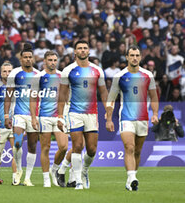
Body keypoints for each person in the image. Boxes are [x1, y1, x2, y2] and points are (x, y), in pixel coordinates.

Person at [106, 45, 159, 191]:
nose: (134, 58)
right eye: (132, 55)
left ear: (140, 57)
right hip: (126, 118)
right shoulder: (120, 76)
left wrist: (155, 114)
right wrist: (109, 119)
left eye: (137, 55)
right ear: (127, 57)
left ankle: (130, 181)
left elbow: (154, 96)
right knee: (129, 147)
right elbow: (111, 98)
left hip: (143, 118)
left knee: (137, 151)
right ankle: (132, 178)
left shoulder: (148, 75)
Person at [57, 40, 108, 190]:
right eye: (79, 48)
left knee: (92, 150)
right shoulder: (68, 70)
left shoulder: (97, 70)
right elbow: (62, 94)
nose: (83, 50)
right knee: (78, 146)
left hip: (92, 114)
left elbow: (104, 92)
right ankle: (78, 180)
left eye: (85, 48)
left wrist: (108, 111)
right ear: (75, 52)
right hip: (74, 113)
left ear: (89, 51)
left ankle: (84, 171)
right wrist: (60, 116)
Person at [30, 51, 68, 187]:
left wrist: (65, 114)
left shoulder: (62, 76)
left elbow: (65, 96)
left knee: (63, 147)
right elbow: (33, 98)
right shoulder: (39, 77)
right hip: (44, 117)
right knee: (45, 148)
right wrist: (33, 118)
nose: (53, 62)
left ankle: (54, 170)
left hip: (59, 116)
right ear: (45, 61)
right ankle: (46, 179)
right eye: (50, 60)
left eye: (55, 60)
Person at [4, 44, 39, 186]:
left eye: (30, 57)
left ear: (33, 59)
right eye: (25, 57)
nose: (28, 59)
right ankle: (18, 170)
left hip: (34, 115)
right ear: (21, 59)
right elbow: (8, 95)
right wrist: (6, 115)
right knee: (17, 142)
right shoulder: (15, 74)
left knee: (32, 146)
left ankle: (28, 178)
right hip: (18, 114)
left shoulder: (38, 75)